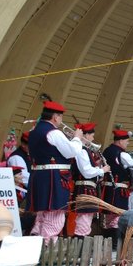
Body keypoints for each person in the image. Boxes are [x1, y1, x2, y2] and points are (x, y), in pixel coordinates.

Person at [26, 100, 84, 244]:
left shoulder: (33, 132)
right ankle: (45, 248)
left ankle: (35, 245)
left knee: (41, 215)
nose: (60, 121)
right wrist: (77, 138)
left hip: (38, 176)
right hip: (54, 177)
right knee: (55, 216)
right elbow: (71, 152)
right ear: (56, 117)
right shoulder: (54, 133)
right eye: (60, 118)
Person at [71, 122, 110, 239]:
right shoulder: (82, 150)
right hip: (84, 188)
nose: (93, 138)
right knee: (84, 218)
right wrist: (102, 170)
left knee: (86, 218)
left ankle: (81, 245)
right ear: (86, 135)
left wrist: (97, 168)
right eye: (92, 135)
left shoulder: (85, 151)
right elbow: (86, 171)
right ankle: (79, 246)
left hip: (88, 188)